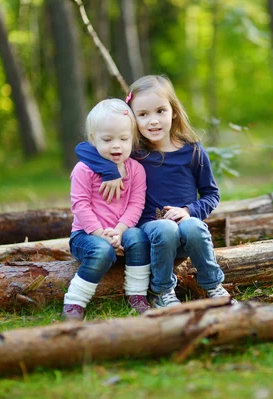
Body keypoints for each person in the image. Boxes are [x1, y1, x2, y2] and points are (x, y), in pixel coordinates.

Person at [75, 75, 233, 308]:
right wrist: (109, 170)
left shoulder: (193, 151)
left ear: (174, 111)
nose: (153, 121)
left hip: (186, 233)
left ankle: (214, 286)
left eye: (160, 111)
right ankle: (161, 291)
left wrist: (189, 211)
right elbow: (84, 149)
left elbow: (211, 194)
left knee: (194, 226)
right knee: (165, 228)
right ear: (132, 120)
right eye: (143, 114)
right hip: (151, 234)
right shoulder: (134, 152)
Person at [63, 98, 150, 321]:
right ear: (93, 139)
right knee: (103, 251)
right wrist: (100, 233)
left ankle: (137, 295)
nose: (116, 145)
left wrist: (120, 230)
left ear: (133, 138)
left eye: (123, 139)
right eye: (107, 139)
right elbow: (80, 205)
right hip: (85, 235)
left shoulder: (136, 170)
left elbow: (136, 204)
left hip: (121, 230)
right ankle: (74, 301)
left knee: (139, 238)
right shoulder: (84, 170)